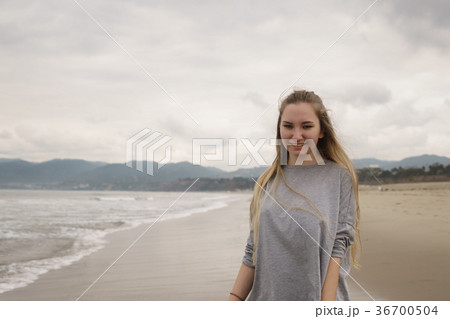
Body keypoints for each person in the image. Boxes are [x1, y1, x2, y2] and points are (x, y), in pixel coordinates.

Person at [228, 89, 360, 301]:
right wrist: (233, 300)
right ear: (279, 129)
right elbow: (252, 250)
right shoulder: (267, 180)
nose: (296, 136)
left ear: (321, 131)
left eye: (306, 126)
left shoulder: (339, 177)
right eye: (288, 126)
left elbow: (339, 246)